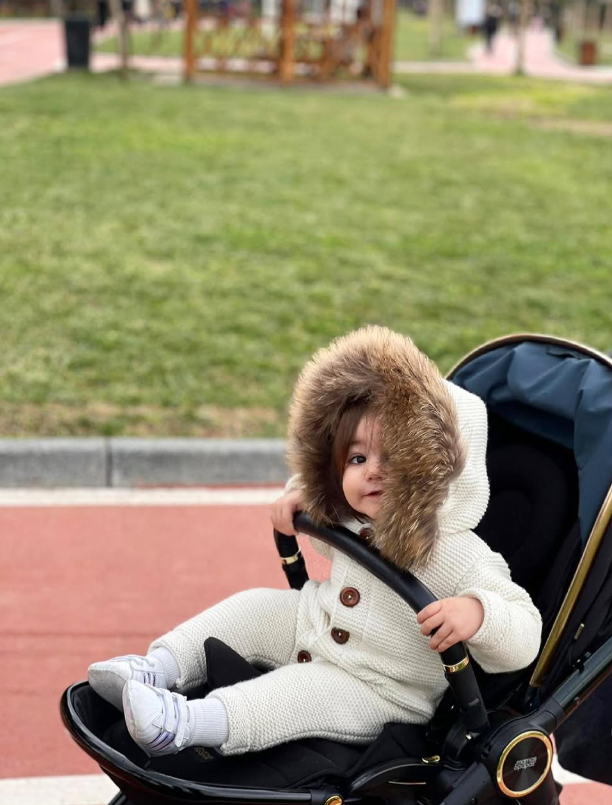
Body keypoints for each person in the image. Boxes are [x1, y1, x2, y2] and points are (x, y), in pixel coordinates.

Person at [88, 326, 542, 758]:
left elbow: (524, 632)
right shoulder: (351, 516)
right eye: (357, 457)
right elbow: (324, 536)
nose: (371, 471)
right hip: (312, 623)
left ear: (437, 470)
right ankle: (158, 668)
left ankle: (183, 724)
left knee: (293, 696)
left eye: (394, 457)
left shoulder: (458, 555)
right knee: (251, 608)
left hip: (377, 689)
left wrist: (477, 614)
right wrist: (301, 497)